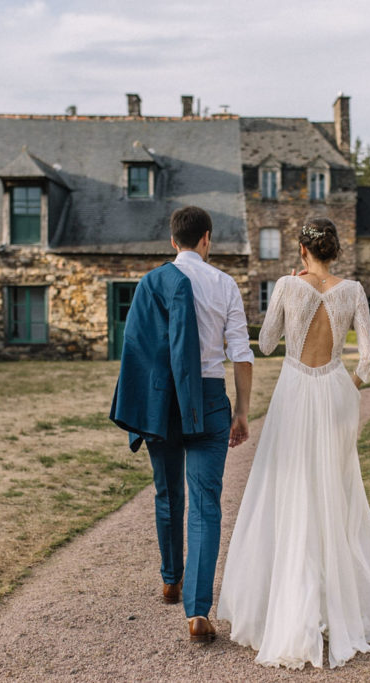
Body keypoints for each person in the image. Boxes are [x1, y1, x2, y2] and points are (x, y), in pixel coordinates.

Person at [218, 217, 370, 669]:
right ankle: (333, 597)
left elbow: (264, 345)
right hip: (335, 391)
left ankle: (292, 602)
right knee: (332, 492)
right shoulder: (353, 290)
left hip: (296, 391)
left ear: (303, 250)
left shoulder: (287, 285)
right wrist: (349, 385)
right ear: (333, 251)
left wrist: (283, 303)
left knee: (289, 489)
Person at [110, 206, 253, 642]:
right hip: (208, 399)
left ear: (174, 241)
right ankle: (198, 613)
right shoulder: (225, 284)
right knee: (207, 503)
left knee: (168, 492)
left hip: (162, 401)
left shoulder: (151, 283)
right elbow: (241, 355)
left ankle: (170, 580)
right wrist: (242, 411)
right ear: (207, 238)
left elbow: (135, 347)